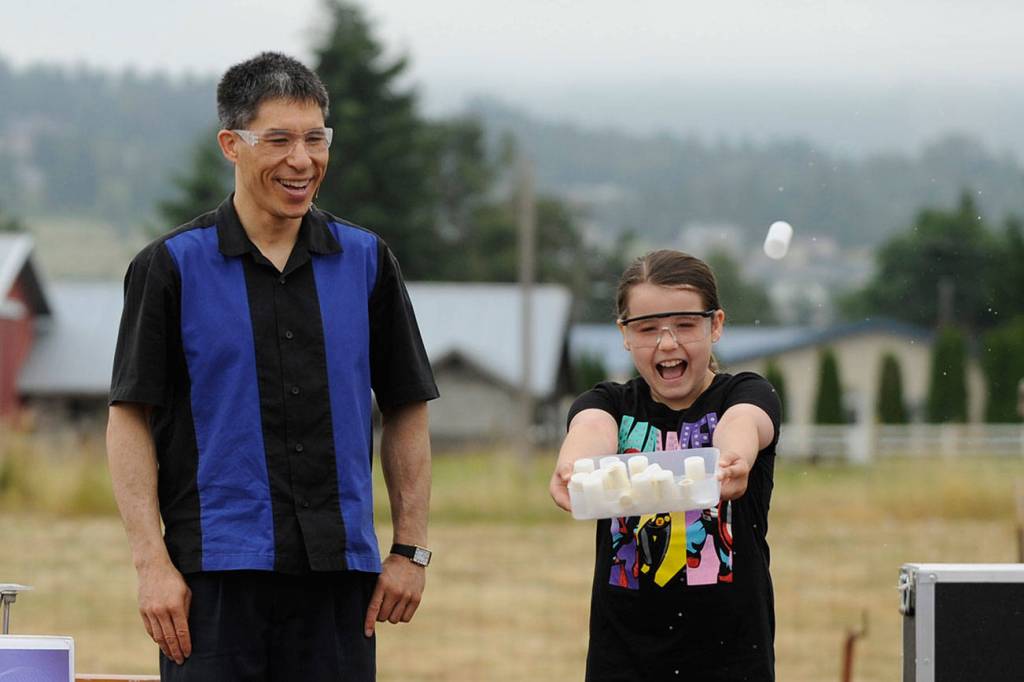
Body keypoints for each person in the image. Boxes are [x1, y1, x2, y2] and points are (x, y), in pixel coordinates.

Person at [106, 52, 438, 682]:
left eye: (316, 139)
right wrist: (151, 565)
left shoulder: (368, 261)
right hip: (210, 578)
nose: (302, 160)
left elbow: (407, 406)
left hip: (340, 575)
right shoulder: (170, 267)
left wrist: (410, 549)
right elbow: (129, 419)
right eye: (279, 140)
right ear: (231, 145)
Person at [549, 249, 781, 681]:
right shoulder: (609, 403)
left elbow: (744, 423)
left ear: (716, 325)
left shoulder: (746, 393)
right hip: (622, 663)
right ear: (624, 333)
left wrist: (733, 458)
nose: (667, 343)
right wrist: (573, 465)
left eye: (685, 325)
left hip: (732, 663)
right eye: (648, 328)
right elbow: (590, 428)